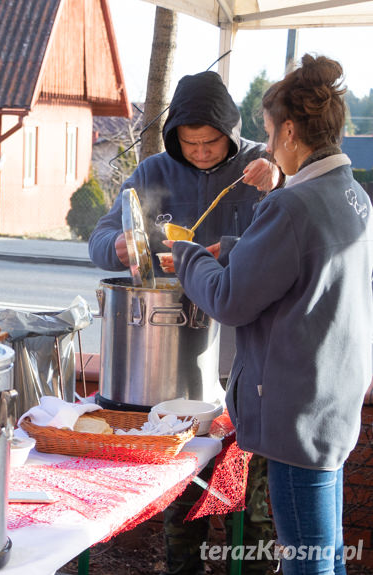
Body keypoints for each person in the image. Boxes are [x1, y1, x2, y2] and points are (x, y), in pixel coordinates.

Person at [167, 53, 372, 575]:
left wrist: (190, 257)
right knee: (325, 552)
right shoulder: (351, 195)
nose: (269, 139)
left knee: (307, 558)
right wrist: (236, 247)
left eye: (268, 129)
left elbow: (230, 301)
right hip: (333, 397)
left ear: (288, 131)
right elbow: (304, 263)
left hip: (294, 407)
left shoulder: (291, 205)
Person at [88, 70, 279, 575]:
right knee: (181, 492)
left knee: (251, 498)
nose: (199, 152)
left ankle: (256, 568)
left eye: (211, 142)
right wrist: (118, 246)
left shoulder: (263, 164)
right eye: (189, 143)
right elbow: (100, 237)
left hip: (247, 359)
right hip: (172, 367)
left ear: (232, 134)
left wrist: (278, 180)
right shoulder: (153, 172)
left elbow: (293, 233)